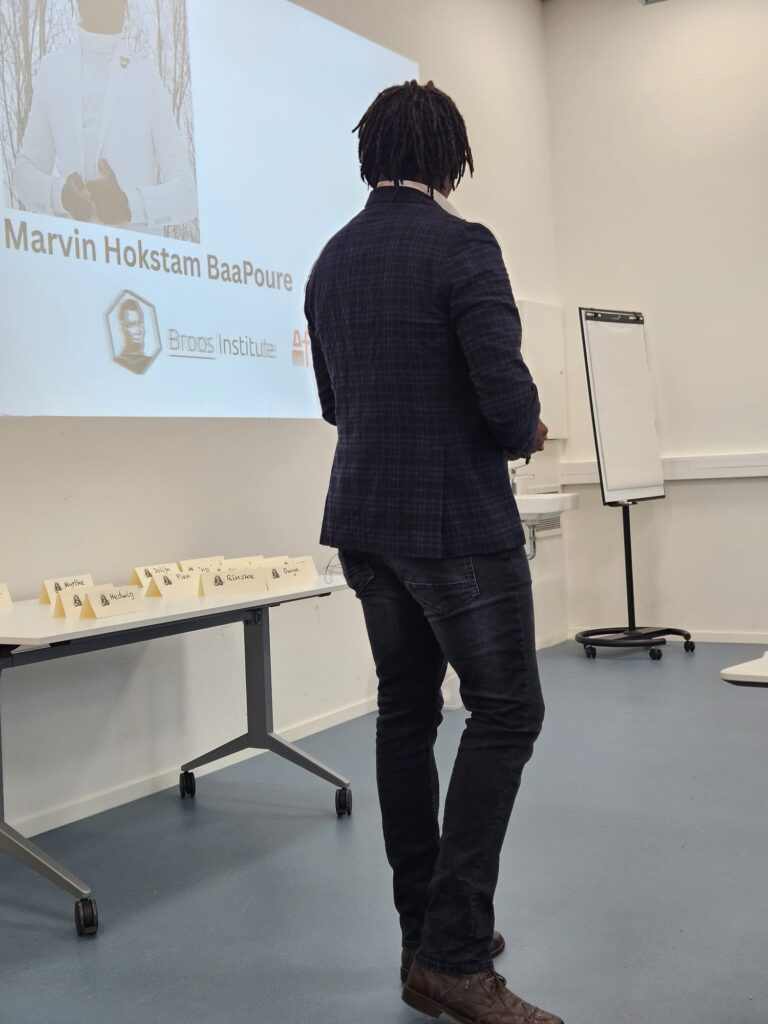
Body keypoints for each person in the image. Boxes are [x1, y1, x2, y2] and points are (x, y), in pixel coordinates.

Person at [305, 81, 562, 1024]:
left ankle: (423, 940)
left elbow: (334, 404)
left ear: (370, 154)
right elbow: (505, 398)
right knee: (508, 711)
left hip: (364, 523)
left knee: (405, 714)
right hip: (454, 527)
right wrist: (526, 430)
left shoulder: (330, 260)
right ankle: (455, 954)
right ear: (450, 157)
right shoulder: (464, 247)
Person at [14, 0, 197, 234]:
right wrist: (61, 195)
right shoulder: (52, 71)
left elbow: (186, 194)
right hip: (71, 251)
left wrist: (129, 205)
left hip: (133, 254)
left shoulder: (146, 77)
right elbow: (24, 174)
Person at [114, 298, 152, 375]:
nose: (138, 330)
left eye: (140, 324)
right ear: (122, 328)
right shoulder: (119, 361)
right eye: (132, 325)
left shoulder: (149, 362)